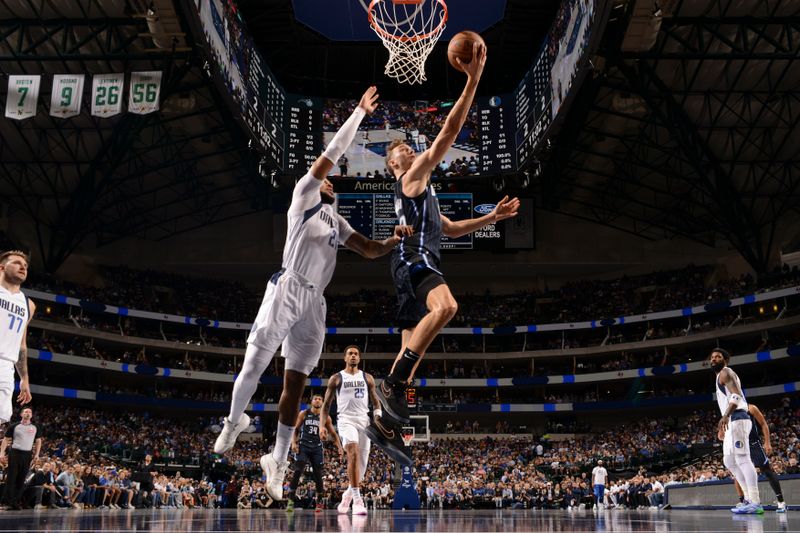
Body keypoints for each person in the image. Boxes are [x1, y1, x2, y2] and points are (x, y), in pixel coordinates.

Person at [213, 87, 412, 503]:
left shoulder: (336, 221)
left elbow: (371, 249)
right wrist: (358, 113)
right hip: (288, 285)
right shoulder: (303, 193)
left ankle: (278, 461)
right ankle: (233, 421)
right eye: (329, 177)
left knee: (297, 384)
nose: (332, 182)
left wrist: (393, 240)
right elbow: (334, 152)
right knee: (256, 360)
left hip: (315, 302)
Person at [366, 43, 519, 465]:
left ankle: (385, 424)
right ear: (392, 165)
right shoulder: (412, 176)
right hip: (415, 260)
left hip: (411, 263)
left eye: (411, 151)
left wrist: (493, 217)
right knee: (447, 305)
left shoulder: (424, 190)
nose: (411, 153)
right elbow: (447, 135)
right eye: (403, 153)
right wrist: (472, 81)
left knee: (410, 357)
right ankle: (390, 385)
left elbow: (451, 228)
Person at [320, 345, 380, 515]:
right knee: (352, 452)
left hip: (364, 421)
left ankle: (347, 496)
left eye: (356, 354)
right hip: (346, 420)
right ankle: (357, 500)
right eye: (350, 353)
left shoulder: (367, 378)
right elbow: (325, 406)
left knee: (361, 466)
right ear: (345, 358)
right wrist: (322, 425)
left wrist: (377, 417)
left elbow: (376, 402)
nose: (353, 356)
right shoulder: (336, 378)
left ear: (359, 358)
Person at [710, 348, 763, 514]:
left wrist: (725, 416)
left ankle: (755, 502)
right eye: (712, 357)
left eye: (718, 357)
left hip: (738, 418)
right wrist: (722, 426)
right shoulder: (719, 376)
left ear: (725, 360)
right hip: (731, 421)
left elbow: (736, 395)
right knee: (729, 461)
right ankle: (747, 499)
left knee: (742, 459)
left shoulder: (726, 372)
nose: (714, 359)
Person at [285, 394, 344, 513]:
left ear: (322, 402)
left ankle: (319, 502)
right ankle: (290, 500)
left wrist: (340, 448)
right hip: (304, 445)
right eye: (315, 399)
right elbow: (295, 429)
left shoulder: (326, 417)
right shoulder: (304, 413)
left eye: (320, 399)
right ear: (311, 401)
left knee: (318, 475)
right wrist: (294, 443)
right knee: (298, 471)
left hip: (317, 448)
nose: (317, 401)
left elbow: (333, 434)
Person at [730, 402, 787, 513]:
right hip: (739, 445)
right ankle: (744, 501)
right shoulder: (729, 411)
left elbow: (764, 424)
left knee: (767, 471)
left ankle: (781, 502)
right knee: (738, 474)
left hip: (753, 444)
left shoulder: (751, 408)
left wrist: (767, 443)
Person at [0, 251, 35, 424]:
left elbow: (21, 345)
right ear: (2, 267)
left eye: (25, 266)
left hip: (6, 367)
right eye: (16, 263)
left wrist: (24, 379)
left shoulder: (29, 304)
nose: (23, 267)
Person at [0, 406, 43, 509]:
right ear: (21, 414)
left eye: (29, 412)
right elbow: (5, 440)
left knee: (21, 478)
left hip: (27, 454)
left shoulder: (35, 427)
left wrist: (36, 454)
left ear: (31, 415)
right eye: (25, 412)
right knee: (11, 477)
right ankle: (7, 503)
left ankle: (15, 502)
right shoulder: (14, 426)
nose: (28, 413)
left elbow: (38, 441)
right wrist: (1, 453)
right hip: (14, 453)